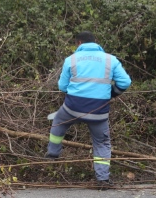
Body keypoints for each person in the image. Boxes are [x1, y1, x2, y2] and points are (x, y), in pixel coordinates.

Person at [46, 31, 131, 189]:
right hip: (99, 111)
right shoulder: (110, 60)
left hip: (72, 108)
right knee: (102, 143)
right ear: (95, 42)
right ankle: (103, 179)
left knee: (58, 121)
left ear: (79, 43)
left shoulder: (70, 59)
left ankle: (53, 152)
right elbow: (125, 82)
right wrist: (112, 93)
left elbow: (62, 86)